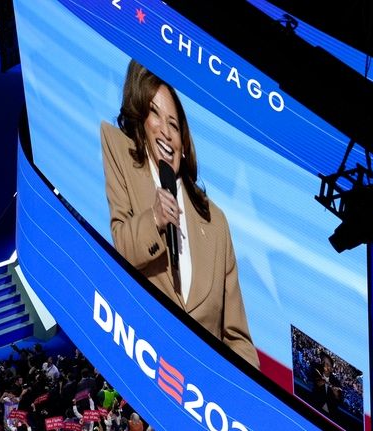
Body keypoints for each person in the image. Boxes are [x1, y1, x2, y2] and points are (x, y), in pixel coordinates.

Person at [101, 59, 259, 368]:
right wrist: (155, 220)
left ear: (184, 144)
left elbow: (237, 337)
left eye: (174, 124)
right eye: (154, 114)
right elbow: (121, 246)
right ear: (142, 124)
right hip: (146, 366)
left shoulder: (216, 223)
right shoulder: (119, 150)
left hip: (203, 392)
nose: (164, 131)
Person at [310, 352, 343, 419]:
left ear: (331, 369)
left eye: (327, 364)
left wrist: (336, 394)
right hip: (314, 407)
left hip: (329, 414)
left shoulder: (336, 382)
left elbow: (339, 399)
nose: (324, 366)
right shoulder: (317, 370)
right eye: (323, 362)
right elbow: (315, 380)